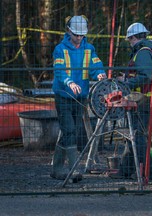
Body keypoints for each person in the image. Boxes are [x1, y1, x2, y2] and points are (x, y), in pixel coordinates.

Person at [51, 15, 107, 181]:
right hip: (63, 96)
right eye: (76, 35)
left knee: (69, 131)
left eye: (81, 35)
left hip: (80, 97)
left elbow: (95, 66)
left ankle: (56, 169)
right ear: (69, 31)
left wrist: (100, 74)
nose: (79, 38)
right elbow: (59, 71)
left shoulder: (89, 48)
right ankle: (73, 169)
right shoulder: (60, 49)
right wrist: (69, 83)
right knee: (69, 130)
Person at [110, 23, 152, 180]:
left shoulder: (142, 53)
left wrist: (126, 82)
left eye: (129, 40)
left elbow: (146, 76)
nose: (129, 43)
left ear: (134, 37)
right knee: (134, 135)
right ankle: (126, 170)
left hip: (145, 100)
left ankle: (149, 172)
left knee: (138, 136)